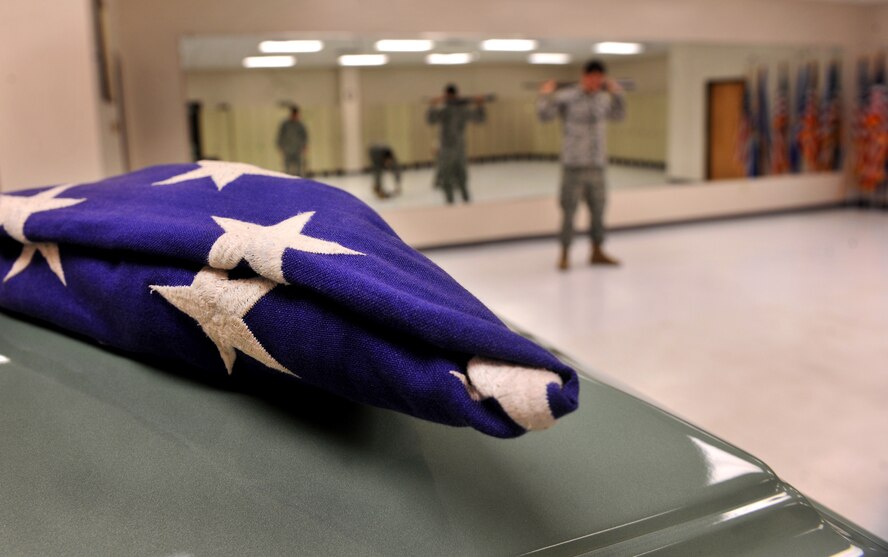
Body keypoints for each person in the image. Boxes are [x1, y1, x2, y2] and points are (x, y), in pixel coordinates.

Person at [537, 60, 626, 270]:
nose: (596, 81)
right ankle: (565, 253)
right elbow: (544, 116)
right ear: (584, 76)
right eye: (592, 77)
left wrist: (618, 95)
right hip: (574, 165)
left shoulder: (603, 99)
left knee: (599, 210)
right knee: (569, 211)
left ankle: (597, 251)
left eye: (599, 78)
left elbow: (619, 116)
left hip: (597, 165)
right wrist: (544, 95)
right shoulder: (567, 97)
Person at [427, 84, 486, 204]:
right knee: (446, 177)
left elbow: (479, 119)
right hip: (446, 149)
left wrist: (480, 105)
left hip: (459, 149)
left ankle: (466, 201)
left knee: (462, 177)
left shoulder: (462, 109)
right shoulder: (443, 110)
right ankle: (450, 202)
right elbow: (431, 120)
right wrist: (433, 105)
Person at [276, 105, 308, 176]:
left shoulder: (300, 125)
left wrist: (305, 146)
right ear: (292, 114)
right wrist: (279, 146)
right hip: (287, 149)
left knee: (298, 168)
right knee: (287, 168)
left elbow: (304, 136)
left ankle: (299, 181)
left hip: (297, 149)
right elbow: (280, 135)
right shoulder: (285, 124)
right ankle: (287, 182)